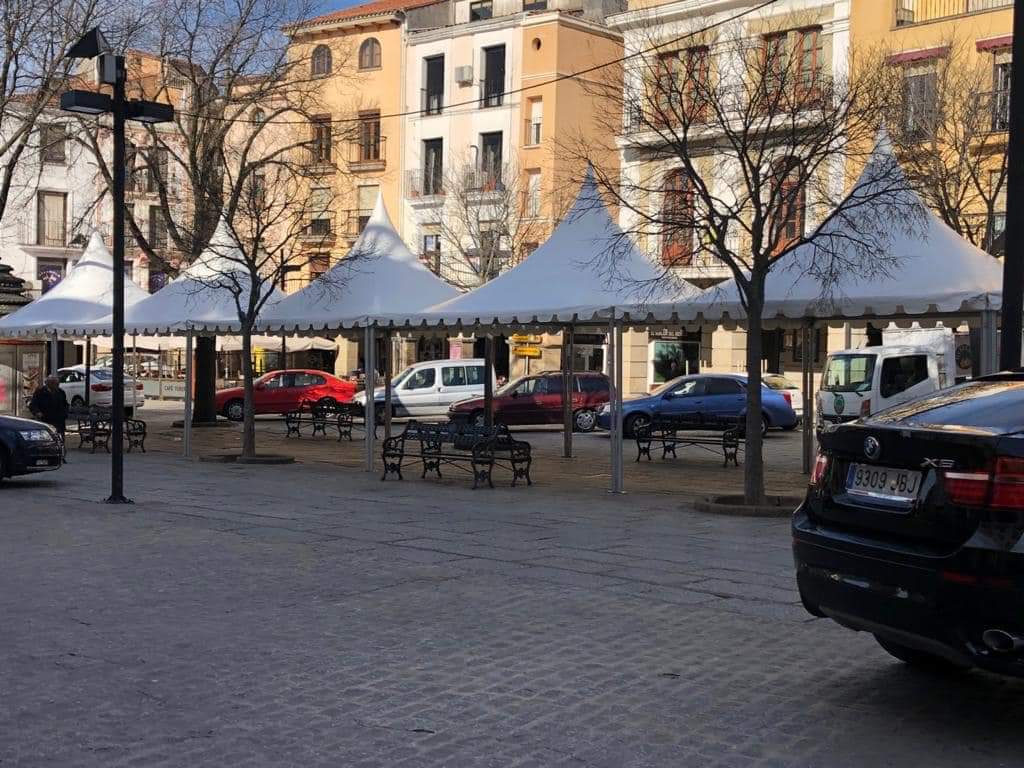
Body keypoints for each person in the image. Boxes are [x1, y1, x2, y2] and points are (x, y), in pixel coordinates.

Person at [30, 375, 69, 445]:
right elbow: (33, 405)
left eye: (57, 384)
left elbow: (65, 404)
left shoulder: (60, 392)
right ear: (49, 384)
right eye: (55, 384)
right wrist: (37, 412)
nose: (57, 386)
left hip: (59, 420)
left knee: (59, 439)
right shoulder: (40, 392)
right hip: (46, 419)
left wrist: (65, 414)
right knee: (47, 439)